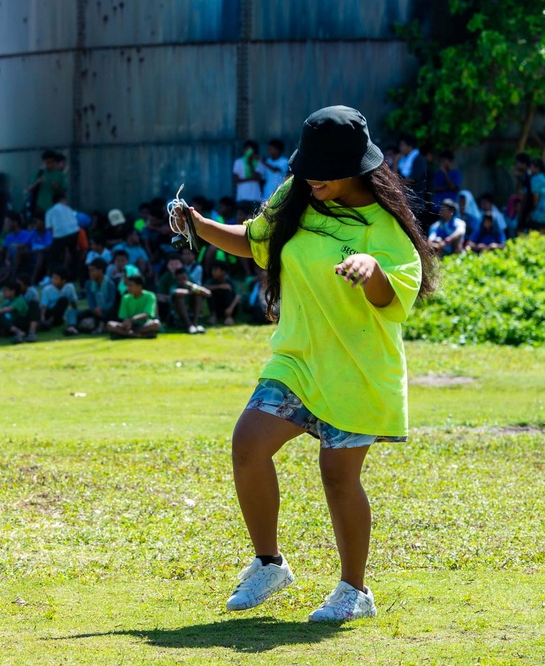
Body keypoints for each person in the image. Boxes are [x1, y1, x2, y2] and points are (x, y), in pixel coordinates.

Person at [175, 106, 436, 622]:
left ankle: (354, 591)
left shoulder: (384, 228)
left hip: (356, 370)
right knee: (248, 445)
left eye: (324, 170)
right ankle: (270, 563)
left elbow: (392, 299)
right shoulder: (296, 197)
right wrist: (200, 225)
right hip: (296, 358)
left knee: (338, 477)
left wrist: (371, 269)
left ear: (357, 168)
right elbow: (254, 243)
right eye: (307, 167)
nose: (312, 177)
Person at [106, 274, 160, 339]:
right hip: (129, 326)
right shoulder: (125, 297)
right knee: (110, 324)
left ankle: (126, 334)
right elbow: (124, 316)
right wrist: (126, 323)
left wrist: (131, 320)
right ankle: (139, 335)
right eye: (128, 285)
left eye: (131, 285)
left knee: (156, 324)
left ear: (139, 286)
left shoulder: (150, 296)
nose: (128, 288)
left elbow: (147, 314)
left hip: (144, 324)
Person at [233, 140, 266, 204]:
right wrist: (251, 179)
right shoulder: (238, 162)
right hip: (242, 197)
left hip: (255, 197)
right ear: (243, 150)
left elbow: (257, 177)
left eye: (250, 150)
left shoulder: (258, 162)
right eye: (246, 149)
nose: (248, 152)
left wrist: (250, 163)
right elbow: (235, 179)